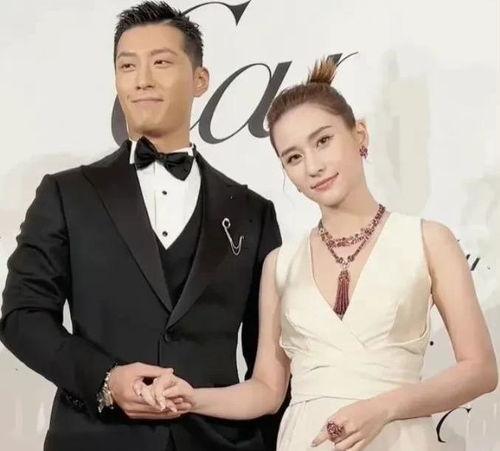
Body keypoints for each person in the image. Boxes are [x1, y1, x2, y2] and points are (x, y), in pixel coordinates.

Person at [142, 57, 498, 450]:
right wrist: (192, 398)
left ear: (359, 134)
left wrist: (384, 407)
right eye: (293, 157)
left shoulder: (428, 240)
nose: (313, 166)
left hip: (399, 439)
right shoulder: (281, 264)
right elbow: (267, 390)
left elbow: (480, 369)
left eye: (323, 141)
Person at [0, 2, 284, 450]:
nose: (142, 79)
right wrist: (106, 380)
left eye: (161, 63)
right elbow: (22, 317)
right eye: (127, 65)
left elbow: (269, 366)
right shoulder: (66, 194)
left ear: (200, 80)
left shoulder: (253, 211)